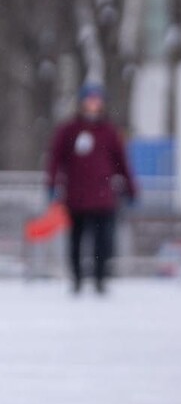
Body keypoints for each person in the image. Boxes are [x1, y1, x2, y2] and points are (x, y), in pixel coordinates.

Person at [46, 83, 138, 294]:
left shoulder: (109, 132)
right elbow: (55, 159)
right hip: (75, 196)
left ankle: (99, 278)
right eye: (89, 100)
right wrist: (51, 184)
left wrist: (130, 188)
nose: (93, 105)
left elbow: (121, 162)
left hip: (103, 196)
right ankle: (77, 278)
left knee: (102, 242)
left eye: (97, 101)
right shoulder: (69, 130)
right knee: (76, 240)